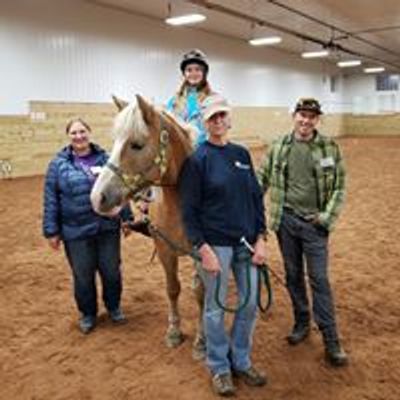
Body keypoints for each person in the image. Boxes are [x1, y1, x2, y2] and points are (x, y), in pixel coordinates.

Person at [179, 94, 268, 396]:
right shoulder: (197, 160)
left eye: (222, 116)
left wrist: (262, 238)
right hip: (216, 246)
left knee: (249, 304)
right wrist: (202, 249)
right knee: (215, 310)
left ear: (229, 118)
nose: (218, 121)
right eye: (213, 117)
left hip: (247, 244)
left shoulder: (242, 154)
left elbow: (256, 200)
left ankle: (241, 360)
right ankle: (219, 366)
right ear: (205, 122)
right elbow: (189, 212)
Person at [258, 98, 349, 367]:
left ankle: (331, 339)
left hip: (314, 226)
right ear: (294, 116)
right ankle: (301, 322)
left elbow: (339, 187)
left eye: (311, 116)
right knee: (293, 275)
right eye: (302, 115)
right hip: (285, 222)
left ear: (317, 120)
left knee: (319, 280)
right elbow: (260, 179)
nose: (306, 120)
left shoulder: (329, 147)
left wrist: (324, 218)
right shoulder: (279, 147)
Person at [42, 118, 132, 334]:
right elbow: (51, 199)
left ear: (89, 132)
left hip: (106, 227)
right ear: (68, 136)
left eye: (82, 131)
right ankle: (88, 313)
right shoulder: (58, 165)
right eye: (74, 133)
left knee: (111, 272)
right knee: (83, 275)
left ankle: (113, 307)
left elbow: (120, 190)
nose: (79, 136)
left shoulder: (107, 159)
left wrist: (126, 218)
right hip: (76, 231)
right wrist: (51, 230)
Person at [166, 48, 213, 146]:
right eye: (189, 70)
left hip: (204, 152)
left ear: (204, 73)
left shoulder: (212, 99)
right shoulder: (174, 101)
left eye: (198, 69)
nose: (193, 74)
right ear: (184, 74)